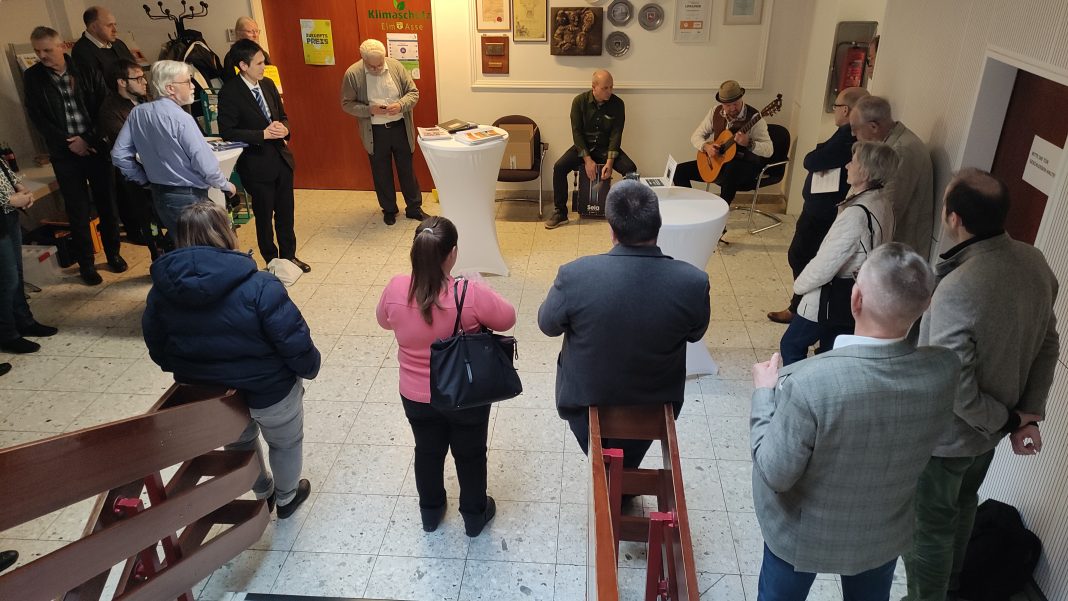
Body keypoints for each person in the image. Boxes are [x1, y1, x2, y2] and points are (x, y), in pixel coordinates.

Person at [750, 242, 961, 601]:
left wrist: (764, 394)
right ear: (925, 306)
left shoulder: (808, 383)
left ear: (856, 299)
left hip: (801, 535)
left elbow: (775, 473)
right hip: (881, 531)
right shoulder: (944, 368)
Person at [904, 169, 1059, 601]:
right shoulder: (1034, 261)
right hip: (987, 437)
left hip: (946, 439)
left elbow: (953, 383)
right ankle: (950, 590)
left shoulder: (958, 288)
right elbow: (1049, 342)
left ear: (953, 218)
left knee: (928, 529)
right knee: (962, 509)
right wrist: (1026, 417)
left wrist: (1009, 420)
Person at [142, 201, 320, 520]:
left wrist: (191, 372)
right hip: (270, 390)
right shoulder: (261, 285)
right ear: (226, 232)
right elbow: (293, 341)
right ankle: (287, 498)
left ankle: (262, 493)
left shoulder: (161, 293)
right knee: (286, 443)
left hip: (212, 395)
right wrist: (310, 367)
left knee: (238, 445)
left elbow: (158, 348)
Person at [539, 180, 710, 467]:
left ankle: (611, 471)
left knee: (606, 460)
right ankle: (621, 471)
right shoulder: (693, 282)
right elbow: (695, 333)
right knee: (623, 461)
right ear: (658, 225)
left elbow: (547, 325)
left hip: (586, 400)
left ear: (612, 229)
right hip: (656, 403)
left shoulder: (575, 275)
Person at [376, 216, 516, 536]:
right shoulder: (468, 293)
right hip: (464, 393)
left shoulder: (396, 287)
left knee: (427, 451)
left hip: (414, 395)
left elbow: (384, 321)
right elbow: (507, 317)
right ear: (452, 253)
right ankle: (474, 517)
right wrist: (482, 286)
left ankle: (430, 512)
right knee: (470, 454)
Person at [778, 141, 898, 365]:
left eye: (853, 162)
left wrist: (799, 287)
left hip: (831, 296)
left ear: (865, 172)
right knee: (831, 350)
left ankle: (797, 385)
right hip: (854, 295)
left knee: (792, 345)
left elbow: (826, 264)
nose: (846, 166)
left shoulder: (856, 214)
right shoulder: (883, 202)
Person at [23, 26, 125, 285]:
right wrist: (69, 143)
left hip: (95, 147)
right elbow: (38, 117)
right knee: (77, 211)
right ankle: (86, 264)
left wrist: (88, 139)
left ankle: (113, 254)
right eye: (37, 51)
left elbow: (104, 106)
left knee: (107, 205)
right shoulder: (33, 77)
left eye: (47, 50)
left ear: (61, 47)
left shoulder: (85, 69)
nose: (42, 56)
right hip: (65, 152)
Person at [767, 86, 868, 324]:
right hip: (820, 206)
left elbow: (812, 160)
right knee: (803, 256)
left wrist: (819, 154)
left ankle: (802, 309)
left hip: (822, 210)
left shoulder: (848, 135)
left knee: (801, 256)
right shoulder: (845, 133)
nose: (834, 111)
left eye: (836, 106)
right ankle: (801, 306)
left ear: (846, 110)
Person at [112, 60, 237, 241]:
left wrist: (142, 179)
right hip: (189, 197)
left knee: (181, 245)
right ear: (170, 88)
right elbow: (205, 163)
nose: (193, 86)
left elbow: (119, 155)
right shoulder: (181, 118)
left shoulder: (138, 113)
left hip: (159, 195)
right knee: (201, 248)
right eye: (187, 81)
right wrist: (225, 184)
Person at [219, 39, 308, 272]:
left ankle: (289, 256)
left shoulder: (267, 84)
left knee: (286, 213)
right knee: (264, 216)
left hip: (281, 159)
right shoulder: (230, 92)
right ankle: (272, 261)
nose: (263, 67)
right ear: (243, 65)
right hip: (256, 164)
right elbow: (227, 131)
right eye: (258, 63)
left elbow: (283, 116)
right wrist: (262, 134)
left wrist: (285, 129)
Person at [341, 39, 424, 225]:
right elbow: (346, 104)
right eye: (373, 66)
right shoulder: (353, 74)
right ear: (363, 60)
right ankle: (389, 209)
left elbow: (413, 93)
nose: (378, 68)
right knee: (381, 173)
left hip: (400, 127)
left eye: (380, 63)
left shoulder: (396, 66)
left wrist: (400, 105)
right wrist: (369, 110)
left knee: (407, 170)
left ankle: (414, 208)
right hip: (376, 132)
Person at [546, 70, 637, 229]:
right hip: (584, 147)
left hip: (606, 148)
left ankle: (626, 214)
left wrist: (610, 162)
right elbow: (577, 133)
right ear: (594, 87)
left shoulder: (618, 104)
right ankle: (560, 212)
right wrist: (587, 160)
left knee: (631, 170)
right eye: (605, 88)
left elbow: (616, 134)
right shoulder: (579, 102)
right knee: (559, 167)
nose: (609, 91)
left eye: (611, 87)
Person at [850, 95, 935, 257]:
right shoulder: (892, 144)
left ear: (873, 126)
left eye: (855, 128)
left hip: (899, 252)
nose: (853, 134)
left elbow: (887, 208)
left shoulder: (900, 151)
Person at [97, 58, 162, 258]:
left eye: (144, 77)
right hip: (137, 175)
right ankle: (158, 257)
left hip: (160, 168)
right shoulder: (110, 110)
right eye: (138, 78)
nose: (144, 82)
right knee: (150, 222)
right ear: (122, 82)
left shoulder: (146, 99)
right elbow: (129, 145)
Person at [672, 80, 773, 205]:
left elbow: (769, 150)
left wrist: (749, 143)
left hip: (745, 165)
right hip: (719, 163)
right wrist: (706, 147)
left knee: (731, 170)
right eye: (728, 105)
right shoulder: (715, 112)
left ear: (741, 98)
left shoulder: (755, 118)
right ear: (722, 103)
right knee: (679, 171)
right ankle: (691, 208)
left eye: (735, 103)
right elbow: (696, 136)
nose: (732, 108)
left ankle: (722, 213)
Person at [1, 157, 59, 356]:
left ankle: (24, 321)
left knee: (16, 273)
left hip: (8, 214)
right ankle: (7, 335)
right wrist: (9, 200)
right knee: (7, 279)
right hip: (5, 208)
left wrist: (20, 188)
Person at [71, 6, 136, 81]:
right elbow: (96, 84)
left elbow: (136, 70)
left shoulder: (119, 44)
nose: (115, 30)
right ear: (94, 27)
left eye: (115, 24)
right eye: (109, 25)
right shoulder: (81, 51)